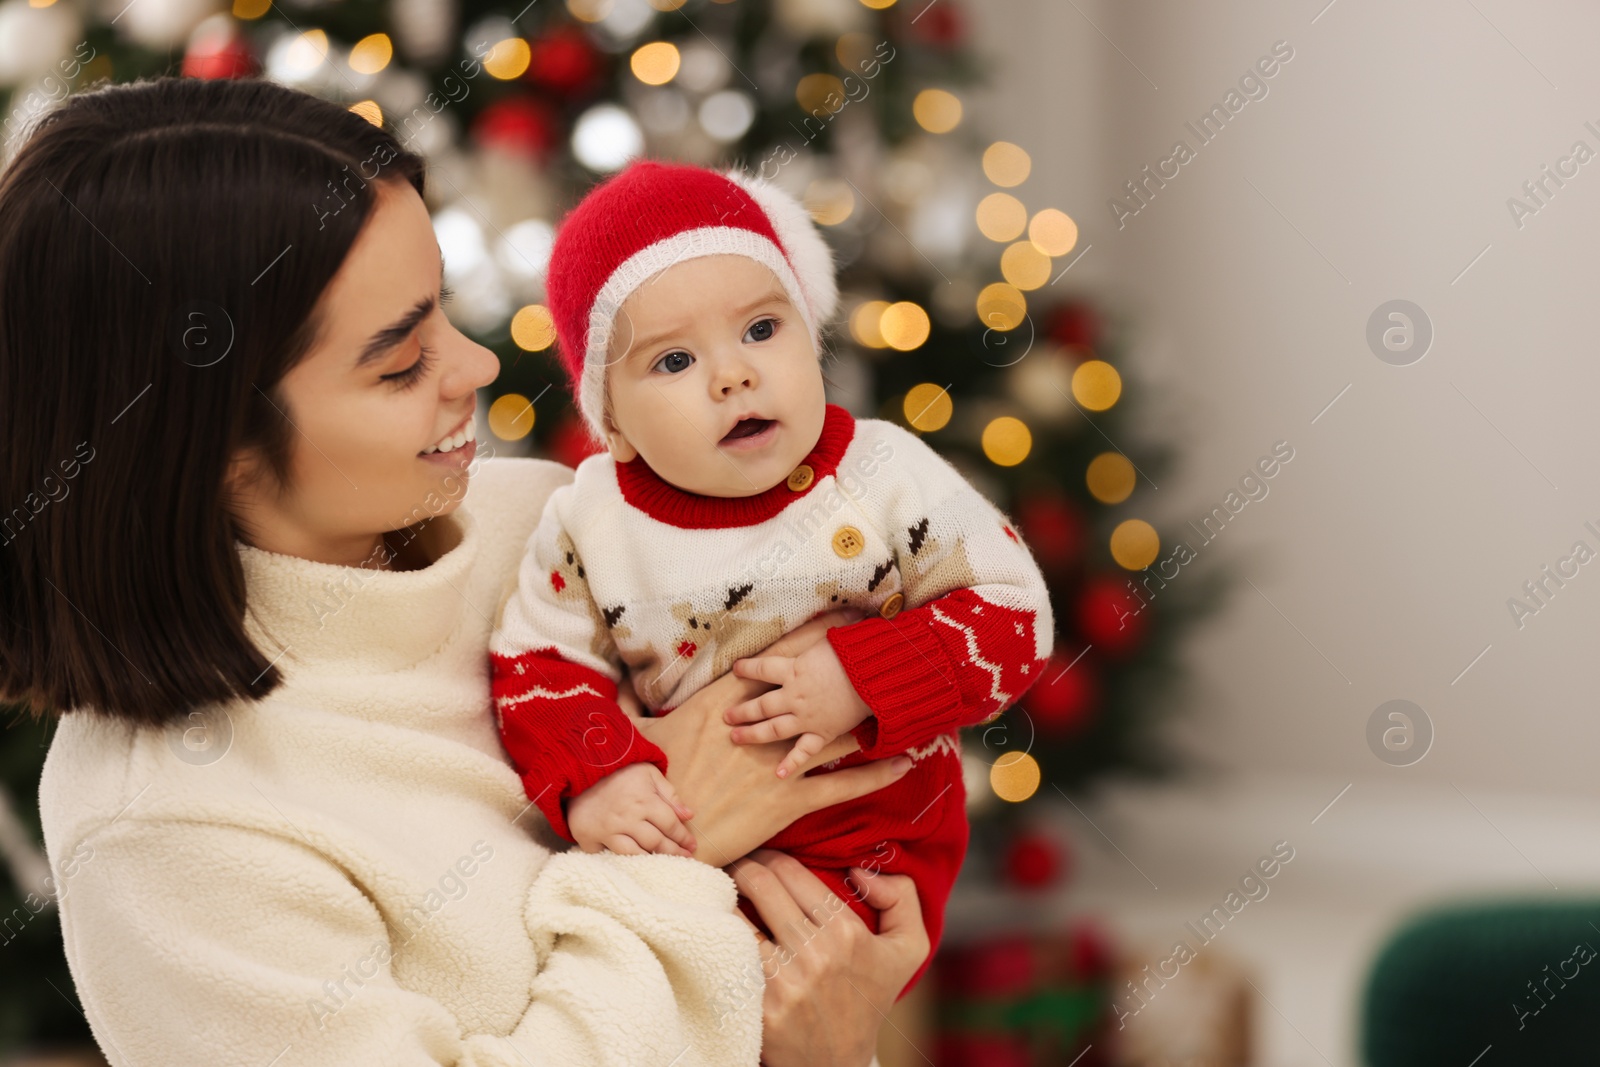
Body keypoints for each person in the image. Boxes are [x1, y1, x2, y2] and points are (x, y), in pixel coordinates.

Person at [0, 77, 927, 1066]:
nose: (477, 366)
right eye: (400, 363)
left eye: (440, 309)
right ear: (206, 445)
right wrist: (670, 841)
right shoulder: (171, 830)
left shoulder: (544, 524)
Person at [489, 161, 1055, 995]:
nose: (733, 375)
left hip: (876, 851)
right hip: (689, 841)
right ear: (614, 423)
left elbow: (1014, 612)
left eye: (762, 330)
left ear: (809, 326)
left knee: (792, 994)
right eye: (675, 360)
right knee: (621, 977)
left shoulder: (886, 473)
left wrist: (863, 675)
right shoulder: (592, 521)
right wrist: (600, 772)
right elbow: (537, 665)